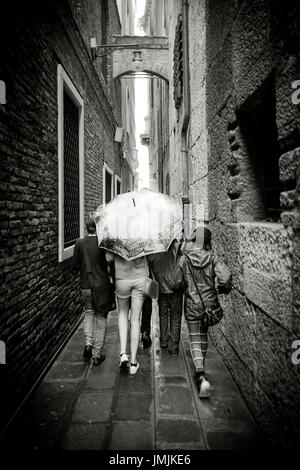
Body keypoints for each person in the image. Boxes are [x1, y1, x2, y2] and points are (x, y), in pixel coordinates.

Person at [182, 226, 232, 398]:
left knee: (195, 339)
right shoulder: (213, 258)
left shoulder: (185, 258)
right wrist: (222, 288)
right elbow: (225, 277)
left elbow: (178, 279)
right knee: (203, 337)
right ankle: (201, 369)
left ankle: (201, 375)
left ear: (195, 240)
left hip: (191, 305)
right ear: (208, 242)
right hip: (208, 306)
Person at [72, 217, 112, 366]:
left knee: (88, 312)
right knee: (101, 318)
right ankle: (96, 355)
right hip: (101, 286)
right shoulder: (103, 244)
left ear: (86, 228)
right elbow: (109, 263)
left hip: (85, 286)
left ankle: (88, 343)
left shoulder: (79, 243)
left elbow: (75, 266)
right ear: (98, 228)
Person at [105, 253, 149, 375]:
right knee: (135, 319)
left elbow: (108, 258)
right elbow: (151, 256)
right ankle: (134, 362)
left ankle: (123, 354)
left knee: (123, 314)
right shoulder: (144, 232)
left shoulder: (117, 233)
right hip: (141, 277)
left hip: (122, 277)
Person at [149, 240, 184, 356]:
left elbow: (152, 264)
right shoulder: (177, 246)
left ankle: (164, 341)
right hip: (175, 286)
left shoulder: (155, 247)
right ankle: (174, 347)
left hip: (162, 285)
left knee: (163, 313)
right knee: (175, 317)